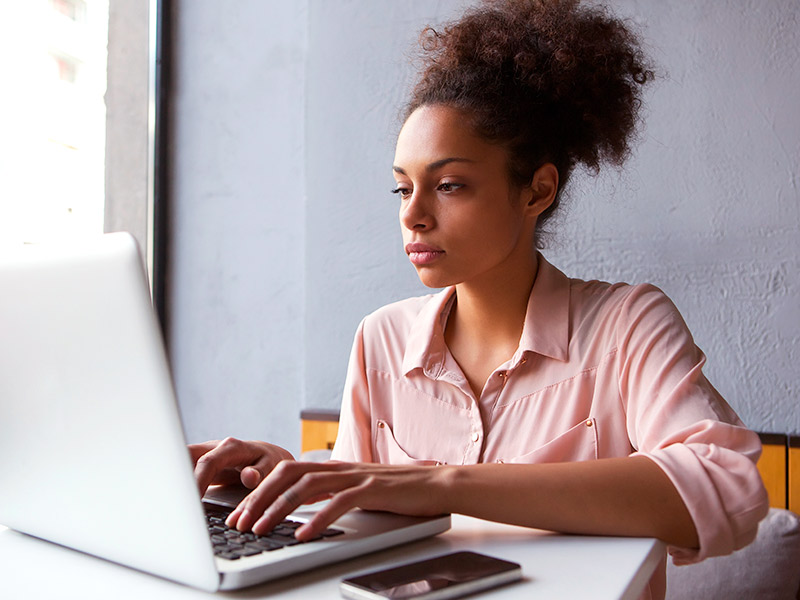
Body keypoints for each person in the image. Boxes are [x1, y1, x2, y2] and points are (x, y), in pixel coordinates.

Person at [190, 1, 768, 598]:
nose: (412, 215)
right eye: (402, 187)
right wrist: (289, 476)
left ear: (537, 190)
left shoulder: (626, 326)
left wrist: (446, 484)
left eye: (448, 186)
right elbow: (358, 527)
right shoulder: (381, 339)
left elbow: (727, 489)